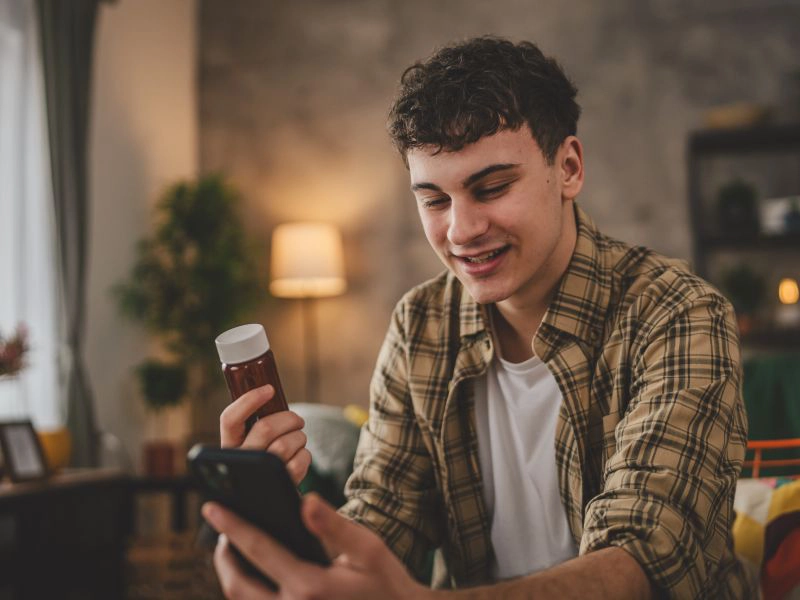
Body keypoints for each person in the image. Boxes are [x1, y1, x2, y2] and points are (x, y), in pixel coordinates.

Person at [209, 36, 753, 599]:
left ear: (568, 168)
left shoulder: (678, 313)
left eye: (491, 188)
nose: (461, 231)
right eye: (434, 200)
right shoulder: (421, 324)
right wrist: (276, 529)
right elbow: (381, 521)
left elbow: (640, 562)